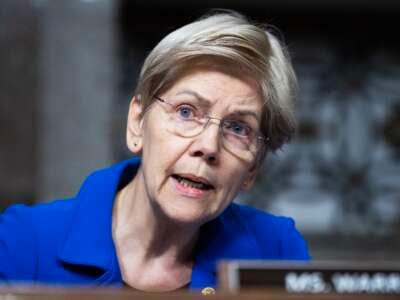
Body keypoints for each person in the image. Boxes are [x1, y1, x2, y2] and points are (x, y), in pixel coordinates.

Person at [0, 11, 309, 292]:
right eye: (186, 112)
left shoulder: (275, 251)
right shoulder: (23, 243)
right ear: (137, 122)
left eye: (239, 128)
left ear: (253, 168)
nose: (208, 147)